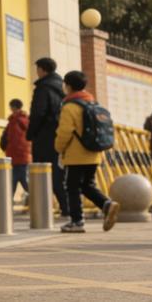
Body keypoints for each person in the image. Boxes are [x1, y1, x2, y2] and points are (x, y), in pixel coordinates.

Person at [54, 71, 119, 233]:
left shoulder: (69, 107)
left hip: (75, 155)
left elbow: (64, 132)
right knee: (87, 185)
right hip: (94, 153)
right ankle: (107, 204)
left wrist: (59, 148)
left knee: (72, 187)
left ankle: (77, 221)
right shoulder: (93, 103)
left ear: (68, 86)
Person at [26, 57, 70, 216]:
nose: (36, 72)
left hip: (44, 136)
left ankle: (45, 210)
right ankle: (66, 207)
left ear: (43, 70)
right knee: (58, 172)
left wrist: (30, 133)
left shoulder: (43, 88)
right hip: (60, 134)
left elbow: (38, 113)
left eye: (37, 69)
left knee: (43, 172)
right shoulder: (63, 87)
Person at [2, 98, 32, 199]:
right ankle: (8, 201)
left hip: (17, 155)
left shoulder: (15, 120)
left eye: (11, 107)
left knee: (18, 180)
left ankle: (37, 197)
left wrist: (6, 147)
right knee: (17, 180)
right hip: (22, 155)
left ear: (13, 107)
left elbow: (14, 139)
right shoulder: (24, 119)